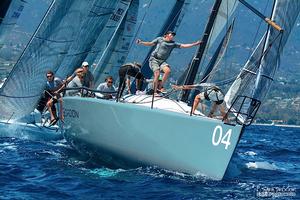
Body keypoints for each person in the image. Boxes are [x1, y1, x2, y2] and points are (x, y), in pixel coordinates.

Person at [136, 31, 202, 94]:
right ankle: (155, 91)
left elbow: (184, 45)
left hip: (162, 61)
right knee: (157, 73)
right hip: (154, 60)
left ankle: (160, 86)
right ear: (166, 35)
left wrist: (194, 44)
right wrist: (141, 42)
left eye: (173, 35)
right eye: (171, 34)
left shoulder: (173, 43)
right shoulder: (160, 39)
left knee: (168, 71)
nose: (172, 36)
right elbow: (150, 43)